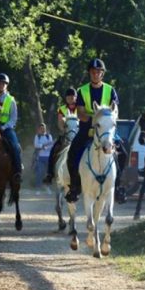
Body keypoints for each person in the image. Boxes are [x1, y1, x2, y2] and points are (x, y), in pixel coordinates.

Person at [65, 58, 120, 203]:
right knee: (72, 154)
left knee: (123, 153)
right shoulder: (82, 91)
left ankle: (118, 186)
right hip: (86, 131)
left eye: (98, 72)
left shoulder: (111, 90)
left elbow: (116, 112)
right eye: (93, 72)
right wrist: (96, 119)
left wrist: (105, 120)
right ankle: (74, 187)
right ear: (89, 73)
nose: (95, 74)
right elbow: (81, 114)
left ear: (102, 74)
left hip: (106, 130)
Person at [0, 73, 23, 182]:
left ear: (6, 85)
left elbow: (13, 118)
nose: (1, 85)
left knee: (15, 147)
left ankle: (17, 172)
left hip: (6, 129)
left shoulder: (11, 100)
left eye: (3, 84)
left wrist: (4, 127)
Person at [44, 87, 77, 184]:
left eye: (72, 96)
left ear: (76, 97)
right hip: (66, 134)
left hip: (79, 134)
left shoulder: (81, 107)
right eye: (68, 97)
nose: (70, 98)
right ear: (66, 98)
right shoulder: (62, 109)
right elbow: (60, 122)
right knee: (54, 149)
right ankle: (50, 173)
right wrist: (63, 130)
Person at [33, 123, 53, 194]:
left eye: (43, 128)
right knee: (40, 173)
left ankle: (47, 187)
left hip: (48, 157)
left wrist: (43, 147)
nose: (42, 129)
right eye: (41, 128)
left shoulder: (49, 136)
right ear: (39, 129)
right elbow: (36, 145)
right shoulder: (37, 136)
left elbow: (51, 145)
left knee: (47, 173)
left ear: (45, 128)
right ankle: (38, 188)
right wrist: (44, 146)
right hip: (40, 157)